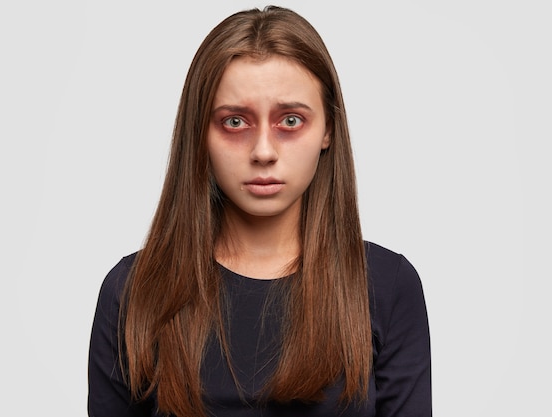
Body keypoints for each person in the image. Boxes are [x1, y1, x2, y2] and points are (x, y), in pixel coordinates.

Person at [88, 5, 431, 417]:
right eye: (235, 122)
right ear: (199, 133)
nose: (264, 151)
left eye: (290, 120)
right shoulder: (131, 292)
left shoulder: (388, 287)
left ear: (328, 130)